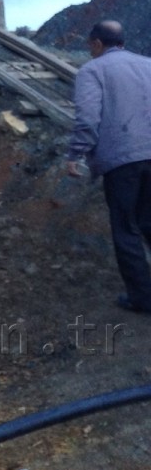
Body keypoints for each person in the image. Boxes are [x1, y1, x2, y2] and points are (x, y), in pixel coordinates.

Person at [67, 20, 151, 314]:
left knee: (126, 228)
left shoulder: (93, 70)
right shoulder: (148, 64)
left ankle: (143, 298)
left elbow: (88, 118)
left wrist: (75, 154)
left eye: (90, 46)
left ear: (98, 44)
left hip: (122, 161)